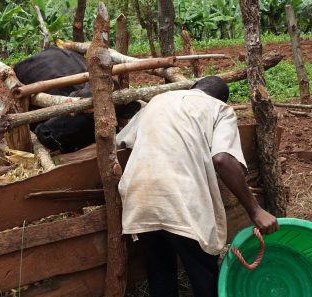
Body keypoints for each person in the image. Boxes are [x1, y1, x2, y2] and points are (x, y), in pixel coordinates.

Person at [116, 76, 279, 297]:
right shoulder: (220, 109)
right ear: (221, 98)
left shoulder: (158, 101)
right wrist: (255, 210)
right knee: (203, 274)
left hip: (140, 198)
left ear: (194, 87)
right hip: (182, 199)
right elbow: (223, 159)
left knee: (160, 270)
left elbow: (122, 140)